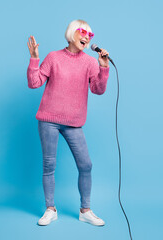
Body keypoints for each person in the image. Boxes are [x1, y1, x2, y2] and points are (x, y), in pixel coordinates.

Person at [26, 19, 110, 226]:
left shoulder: (90, 62)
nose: (87, 37)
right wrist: (34, 59)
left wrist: (103, 68)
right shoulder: (54, 57)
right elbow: (34, 83)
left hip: (74, 122)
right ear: (72, 33)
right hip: (49, 120)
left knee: (85, 165)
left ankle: (86, 210)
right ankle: (50, 209)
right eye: (83, 32)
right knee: (49, 165)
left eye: (90, 35)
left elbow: (98, 90)